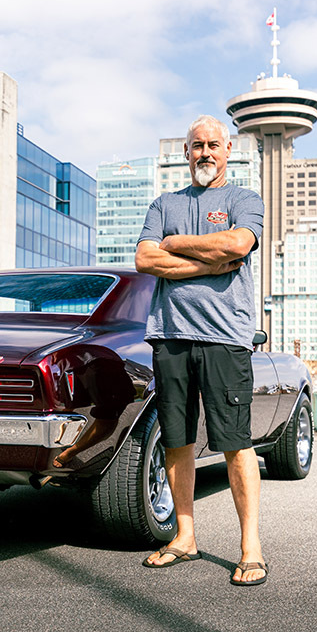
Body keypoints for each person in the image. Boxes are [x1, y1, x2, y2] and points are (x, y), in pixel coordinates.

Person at [135, 115, 268, 586]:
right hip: (170, 335)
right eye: (197, 145)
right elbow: (145, 258)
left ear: (228, 149)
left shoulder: (243, 200)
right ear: (186, 152)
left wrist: (176, 245)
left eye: (213, 144)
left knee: (235, 442)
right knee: (177, 440)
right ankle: (185, 537)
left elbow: (238, 243)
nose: (205, 152)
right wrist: (210, 264)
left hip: (225, 338)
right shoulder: (163, 203)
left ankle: (251, 548)